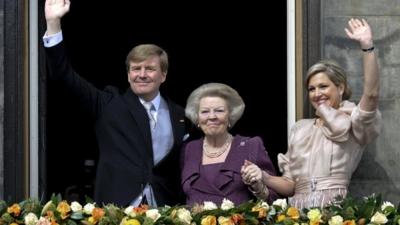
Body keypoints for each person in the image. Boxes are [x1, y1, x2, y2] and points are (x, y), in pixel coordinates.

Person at [43, 0, 187, 207]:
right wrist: (53, 22)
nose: (142, 75)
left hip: (166, 210)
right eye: (136, 69)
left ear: (163, 75)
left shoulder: (180, 115)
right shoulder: (109, 104)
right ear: (128, 75)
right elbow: (63, 75)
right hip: (116, 209)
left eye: (150, 69)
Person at [261, 18, 382, 208]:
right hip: (296, 213)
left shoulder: (353, 118)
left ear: (340, 88)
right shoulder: (300, 129)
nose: (317, 94)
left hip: (334, 211)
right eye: (311, 89)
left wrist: (367, 47)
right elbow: (290, 185)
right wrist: (264, 177)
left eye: (323, 86)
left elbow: (372, 94)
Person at [181, 83, 279, 206]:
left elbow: (275, 201)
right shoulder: (190, 149)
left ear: (230, 116)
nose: (212, 117)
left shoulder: (250, 146)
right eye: (205, 111)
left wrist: (259, 187)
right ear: (197, 118)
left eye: (219, 111)